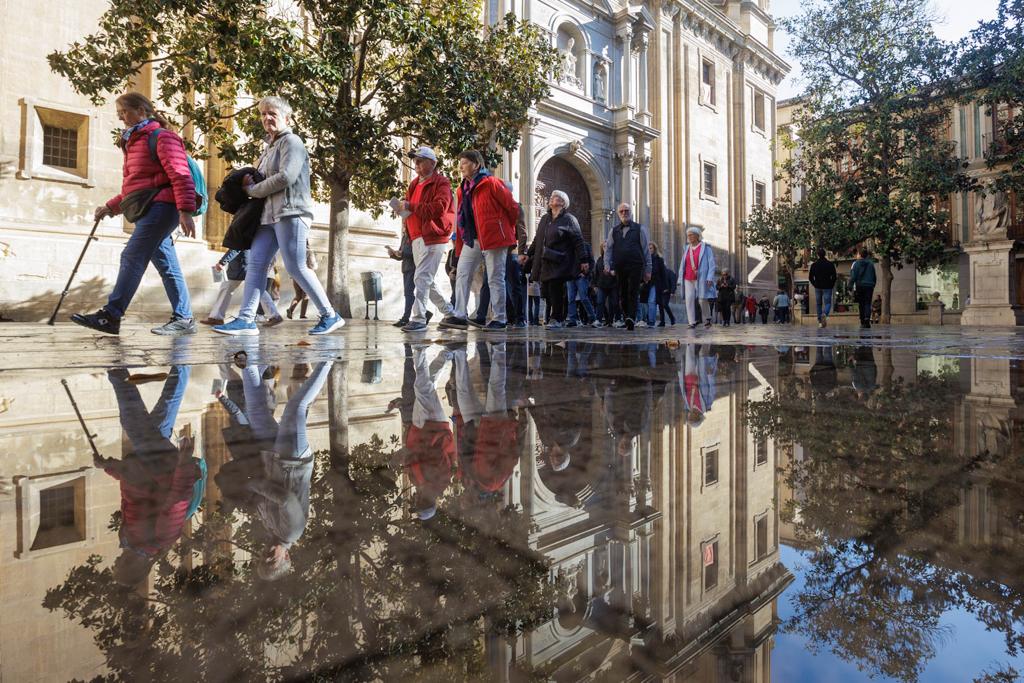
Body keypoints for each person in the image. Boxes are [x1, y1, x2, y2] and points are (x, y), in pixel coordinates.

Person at [214, 96, 344, 336]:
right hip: (267, 216)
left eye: (272, 113)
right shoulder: (268, 148)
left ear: (287, 118)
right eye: (263, 114)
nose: (266, 118)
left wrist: (251, 190)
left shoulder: (292, 142)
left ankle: (330, 315)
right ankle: (246, 320)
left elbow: (286, 177)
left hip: (291, 212)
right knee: (255, 265)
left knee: (296, 266)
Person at [71, 92, 198, 336]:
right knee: (167, 265)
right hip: (149, 208)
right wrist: (110, 207)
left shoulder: (162, 137)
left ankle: (111, 315)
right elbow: (136, 187)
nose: (121, 118)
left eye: (124, 112)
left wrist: (185, 210)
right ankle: (184, 318)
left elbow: (181, 175)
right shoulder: (133, 141)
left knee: (132, 255)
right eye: (119, 114)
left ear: (141, 110)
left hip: (163, 207)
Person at [96, 366, 203, 586]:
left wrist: (109, 467)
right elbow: (178, 499)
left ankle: (182, 363)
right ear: (132, 567)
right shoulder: (160, 539)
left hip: (143, 466)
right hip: (159, 467)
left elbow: (131, 495)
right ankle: (117, 371)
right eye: (118, 566)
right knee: (132, 422)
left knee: (166, 408)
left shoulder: (127, 540)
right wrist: (183, 463)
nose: (116, 562)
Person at [440, 149, 520, 331]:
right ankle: (460, 315)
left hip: (494, 238)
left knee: (495, 277)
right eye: (460, 163)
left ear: (476, 165)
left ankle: (499, 318)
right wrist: (459, 245)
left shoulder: (491, 183)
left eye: (465, 163)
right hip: (472, 239)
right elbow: (461, 218)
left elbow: (513, 208)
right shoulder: (461, 189)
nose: (461, 167)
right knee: (462, 274)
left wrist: (503, 230)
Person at [396, 146, 456, 333]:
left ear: (433, 163)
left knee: (421, 277)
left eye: (420, 161)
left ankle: (419, 318)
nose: (416, 164)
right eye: (415, 161)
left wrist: (411, 206)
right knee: (427, 280)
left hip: (434, 236)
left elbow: (439, 208)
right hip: (416, 237)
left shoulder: (441, 183)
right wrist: (402, 209)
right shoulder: (414, 184)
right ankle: (450, 313)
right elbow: (411, 209)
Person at [525, 191, 589, 329]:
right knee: (547, 291)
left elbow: (578, 240)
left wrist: (584, 260)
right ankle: (556, 317)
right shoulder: (545, 218)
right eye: (552, 197)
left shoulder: (569, 219)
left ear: (562, 202)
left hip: (560, 260)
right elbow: (537, 239)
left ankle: (557, 319)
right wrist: (528, 254)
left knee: (556, 288)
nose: (552, 198)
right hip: (545, 261)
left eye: (555, 197)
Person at [202, 249, 282, 326]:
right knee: (258, 289)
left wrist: (222, 262)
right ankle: (274, 315)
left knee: (227, 288)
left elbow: (236, 247)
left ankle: (216, 318)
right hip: (245, 264)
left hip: (240, 265)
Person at [605, 203, 652, 331]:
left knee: (633, 291)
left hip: (636, 265)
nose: (624, 213)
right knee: (622, 293)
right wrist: (607, 264)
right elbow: (608, 249)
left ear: (631, 212)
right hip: (620, 266)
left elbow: (646, 250)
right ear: (618, 214)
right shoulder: (614, 231)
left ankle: (631, 317)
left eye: (626, 210)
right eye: (621, 211)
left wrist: (648, 270)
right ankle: (627, 316)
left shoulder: (639, 229)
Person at [678, 226, 716, 329]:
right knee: (689, 299)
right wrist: (680, 278)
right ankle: (692, 322)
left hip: (701, 277)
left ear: (697, 236)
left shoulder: (706, 248)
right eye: (688, 235)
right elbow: (683, 263)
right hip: (688, 277)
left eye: (691, 235)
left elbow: (712, 264)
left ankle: (707, 318)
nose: (689, 237)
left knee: (702, 299)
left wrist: (709, 277)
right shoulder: (687, 248)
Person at [386, 227, 416, 327]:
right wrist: (393, 254)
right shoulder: (404, 237)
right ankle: (424, 313)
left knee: (408, 293)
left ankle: (406, 318)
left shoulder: (414, 236)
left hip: (413, 268)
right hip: (405, 269)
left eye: (405, 224)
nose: (403, 226)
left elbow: (417, 254)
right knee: (408, 294)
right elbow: (401, 255)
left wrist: (402, 253)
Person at [565, 238, 597, 328]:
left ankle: (593, 318)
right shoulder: (568, 247)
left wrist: (586, 273)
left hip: (581, 276)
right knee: (571, 299)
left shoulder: (586, 246)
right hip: (570, 276)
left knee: (584, 298)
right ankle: (573, 320)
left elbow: (592, 261)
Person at [287, 240, 320, 320]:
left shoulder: (294, 252)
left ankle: (290, 310)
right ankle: (302, 315)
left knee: (298, 296)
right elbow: (313, 265)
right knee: (306, 295)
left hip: (295, 276)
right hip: (306, 276)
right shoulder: (309, 252)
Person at [848, 247, 877, 329]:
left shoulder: (856, 264)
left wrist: (850, 285)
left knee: (861, 303)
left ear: (860, 255)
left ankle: (862, 320)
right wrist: (873, 284)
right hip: (869, 286)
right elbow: (874, 275)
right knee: (868, 303)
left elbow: (853, 276)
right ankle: (867, 319)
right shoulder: (871, 264)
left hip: (860, 285)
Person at [808, 247, 837, 328]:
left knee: (819, 304)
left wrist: (815, 284)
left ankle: (820, 321)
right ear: (825, 254)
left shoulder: (814, 265)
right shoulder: (830, 264)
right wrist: (831, 285)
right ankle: (825, 313)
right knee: (828, 303)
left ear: (818, 255)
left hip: (818, 287)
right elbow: (834, 276)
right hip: (827, 286)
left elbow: (810, 277)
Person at [649, 242, 676, 327]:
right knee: (660, 304)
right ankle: (662, 321)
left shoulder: (660, 261)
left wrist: (669, 289)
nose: (649, 250)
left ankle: (671, 318)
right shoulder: (647, 260)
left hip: (663, 287)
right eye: (648, 248)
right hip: (654, 285)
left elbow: (669, 279)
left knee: (664, 304)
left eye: (651, 248)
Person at [593, 240, 618, 327]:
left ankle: (615, 320)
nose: (606, 248)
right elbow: (596, 273)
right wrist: (594, 285)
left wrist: (615, 272)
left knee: (614, 303)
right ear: (602, 248)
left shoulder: (614, 259)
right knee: (600, 302)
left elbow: (620, 269)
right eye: (604, 246)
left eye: (607, 246)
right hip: (601, 285)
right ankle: (598, 320)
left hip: (613, 284)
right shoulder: (599, 260)